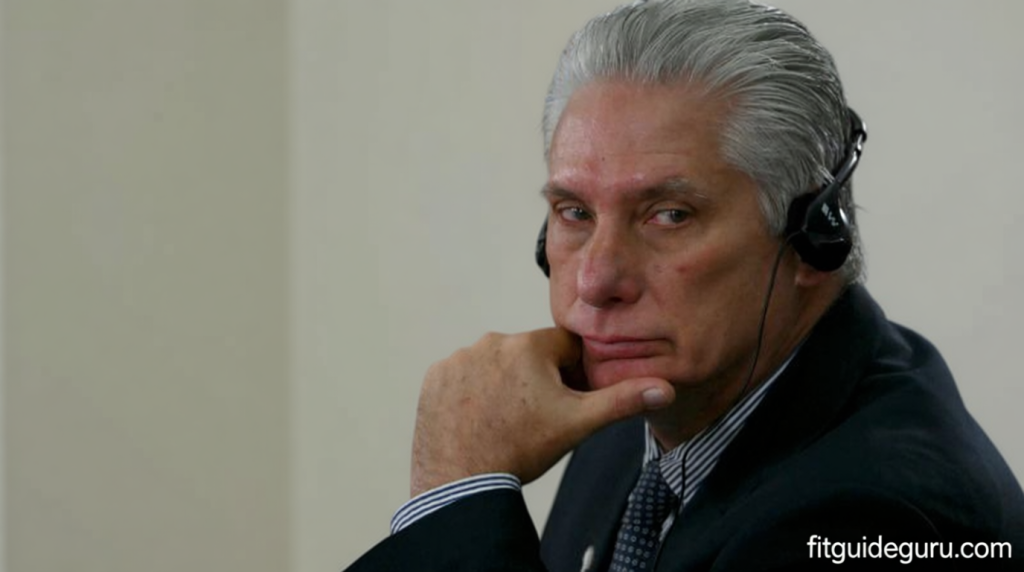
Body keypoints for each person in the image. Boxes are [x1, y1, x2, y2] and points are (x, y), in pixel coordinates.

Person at [345, 0, 1024, 569]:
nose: (596, 281)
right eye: (575, 213)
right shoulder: (644, 399)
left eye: (669, 215)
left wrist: (457, 491)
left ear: (814, 239)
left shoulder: (876, 516)